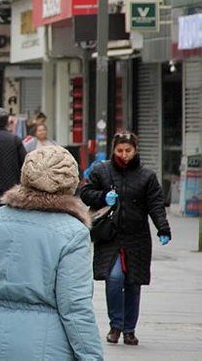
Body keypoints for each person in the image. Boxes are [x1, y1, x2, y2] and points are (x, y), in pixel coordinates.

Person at [0, 146, 104, 360]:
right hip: (46, 345)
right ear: (70, 183)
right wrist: (91, 356)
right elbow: (75, 306)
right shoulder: (73, 233)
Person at [80, 131, 171, 346]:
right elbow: (85, 192)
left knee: (133, 283)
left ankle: (129, 329)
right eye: (120, 150)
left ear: (135, 150)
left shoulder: (146, 176)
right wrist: (103, 196)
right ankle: (116, 325)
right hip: (109, 235)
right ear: (113, 150)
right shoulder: (101, 170)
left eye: (128, 150)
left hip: (137, 237)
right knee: (114, 279)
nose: (124, 154)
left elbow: (156, 204)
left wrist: (162, 228)